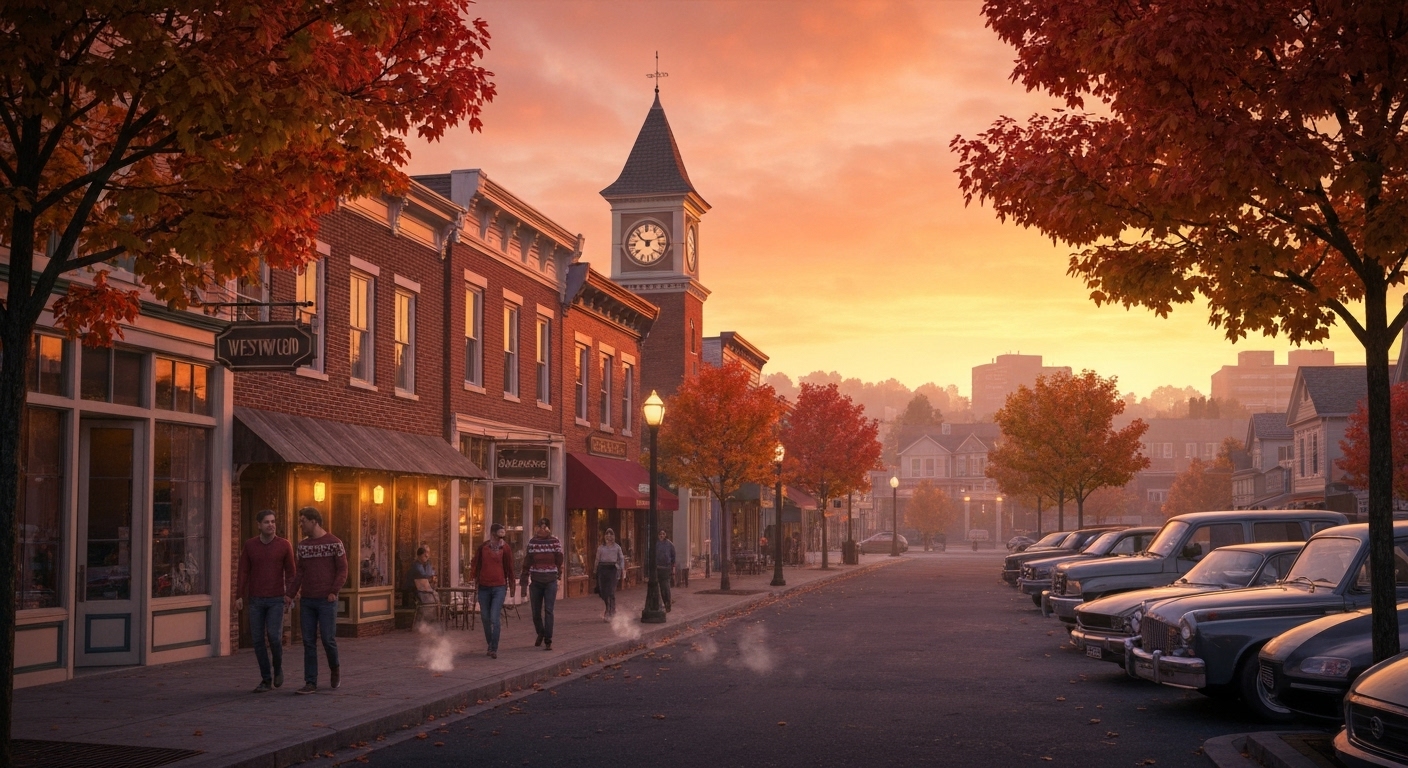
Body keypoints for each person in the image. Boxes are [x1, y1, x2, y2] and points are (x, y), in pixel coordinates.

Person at [286, 507, 347, 695]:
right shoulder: (303, 546)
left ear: (314, 521)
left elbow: (342, 570)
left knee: (328, 639)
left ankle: (334, 668)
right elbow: (299, 573)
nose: (301, 524)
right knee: (308, 641)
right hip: (308, 601)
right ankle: (310, 681)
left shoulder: (334, 543)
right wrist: (290, 594)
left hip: (326, 600)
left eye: (303, 521)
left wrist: (333, 591)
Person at [236, 509, 295, 693]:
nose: (271, 524)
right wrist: (238, 595)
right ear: (259, 525)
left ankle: (277, 668)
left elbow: (292, 572)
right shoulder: (250, 546)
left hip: (276, 599)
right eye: (267, 522)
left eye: (273, 521)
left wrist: (290, 594)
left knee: (274, 637)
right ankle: (265, 678)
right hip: (255, 600)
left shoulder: (284, 545)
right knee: (258, 640)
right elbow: (243, 571)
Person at [520, 518, 564, 651]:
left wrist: (558, 573)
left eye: (545, 527)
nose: (542, 529)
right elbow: (527, 562)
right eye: (540, 526)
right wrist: (524, 581)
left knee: (549, 610)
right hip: (536, 581)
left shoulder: (555, 542)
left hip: (550, 580)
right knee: (535, 612)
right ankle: (540, 632)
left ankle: (548, 639)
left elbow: (559, 559)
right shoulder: (533, 543)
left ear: (549, 528)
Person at [471, 523, 513, 658]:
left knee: (494, 617)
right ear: (492, 534)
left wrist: (512, 586)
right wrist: (474, 581)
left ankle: (493, 648)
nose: (500, 539)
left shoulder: (505, 548)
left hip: (499, 587)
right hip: (484, 586)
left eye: (502, 536)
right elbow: (476, 564)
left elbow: (510, 567)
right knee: (485, 617)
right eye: (498, 536)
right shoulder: (483, 548)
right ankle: (490, 643)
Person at [596, 528, 626, 620]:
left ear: (613, 536)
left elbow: (621, 559)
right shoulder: (601, 547)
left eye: (611, 534)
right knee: (603, 592)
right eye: (607, 534)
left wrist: (621, 570)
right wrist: (595, 570)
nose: (609, 536)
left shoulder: (617, 547)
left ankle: (611, 611)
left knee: (611, 591)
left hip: (612, 569)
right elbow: (597, 559)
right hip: (602, 569)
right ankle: (608, 607)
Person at [406, 546, 438, 627]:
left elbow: (431, 574)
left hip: (426, 589)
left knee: (436, 597)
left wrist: (432, 577)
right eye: (425, 554)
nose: (427, 556)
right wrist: (431, 578)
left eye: (428, 553)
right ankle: (425, 622)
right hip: (417, 590)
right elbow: (423, 575)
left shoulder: (427, 564)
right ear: (420, 555)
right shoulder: (416, 565)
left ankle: (430, 620)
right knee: (430, 599)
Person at [655, 529, 676, 613]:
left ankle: (668, 604)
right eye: (660, 534)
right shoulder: (656, 544)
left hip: (666, 568)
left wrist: (672, 567)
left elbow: (673, 556)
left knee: (665, 587)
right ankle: (661, 604)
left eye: (663, 534)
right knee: (658, 588)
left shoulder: (669, 544)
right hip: (658, 568)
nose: (661, 535)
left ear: (665, 535)